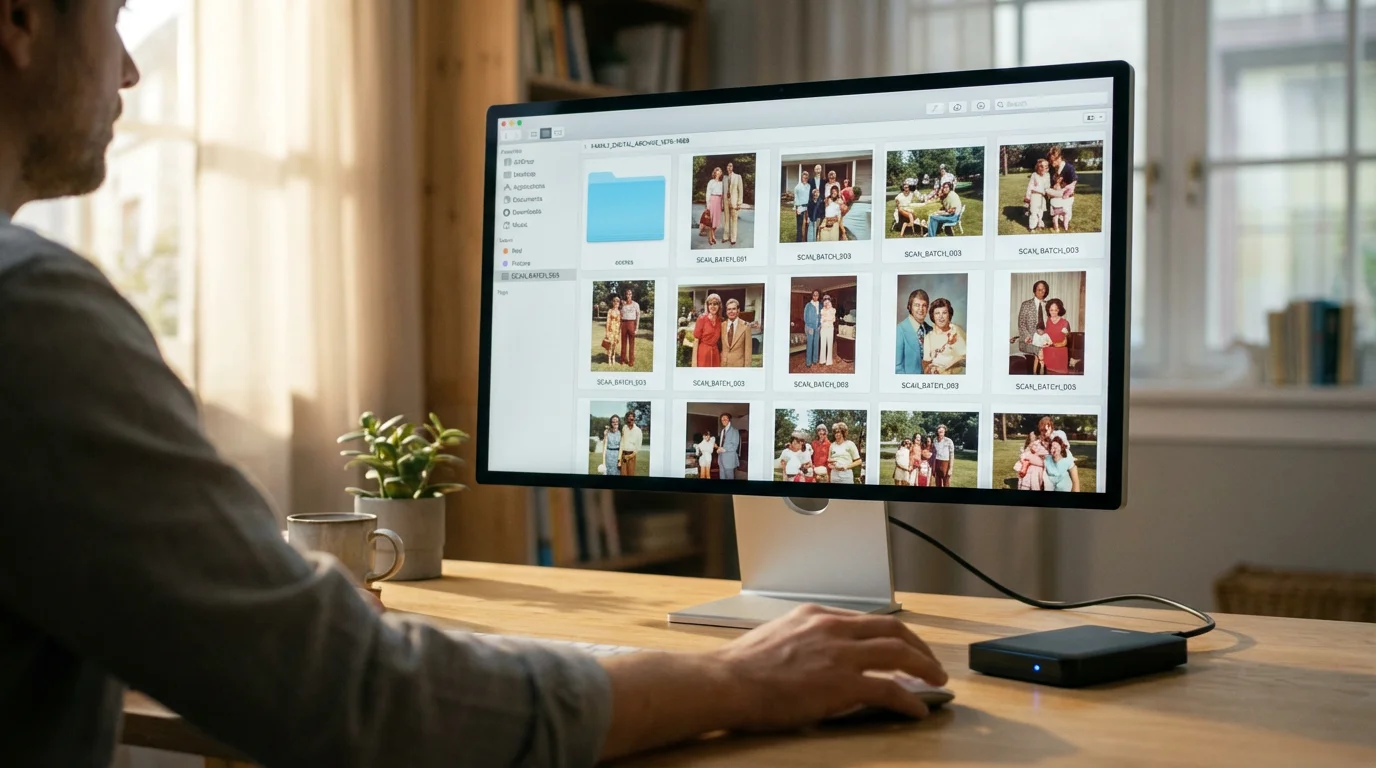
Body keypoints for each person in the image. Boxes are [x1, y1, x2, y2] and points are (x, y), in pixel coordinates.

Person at [0, 5, 948, 763]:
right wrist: (739, 684)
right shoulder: (31, 314)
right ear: (22, 20)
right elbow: (358, 700)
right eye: (115, 14)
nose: (128, 67)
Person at [924, 297, 966, 374]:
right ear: (932, 316)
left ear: (949, 315)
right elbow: (926, 364)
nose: (941, 317)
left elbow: (966, 358)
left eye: (944, 313)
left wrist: (946, 367)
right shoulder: (928, 337)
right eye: (937, 313)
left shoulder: (956, 331)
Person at [895, 288, 930, 374]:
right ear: (909, 307)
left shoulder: (931, 330)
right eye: (917, 305)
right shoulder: (899, 330)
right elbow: (897, 367)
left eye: (924, 305)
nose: (921, 309)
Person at [1016, 279, 1051, 361]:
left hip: (1044, 339)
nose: (1041, 291)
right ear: (1034, 291)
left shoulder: (1048, 305)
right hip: (1028, 341)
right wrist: (1029, 337)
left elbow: (1051, 324)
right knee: (1040, 350)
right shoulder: (1026, 304)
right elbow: (1021, 324)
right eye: (1039, 289)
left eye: (1043, 289)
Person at [1046, 145, 1078, 230]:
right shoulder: (1052, 169)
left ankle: (1064, 220)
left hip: (1065, 195)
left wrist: (1068, 189)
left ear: (1059, 157)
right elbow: (1050, 183)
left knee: (1066, 214)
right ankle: (1055, 221)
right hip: (1056, 195)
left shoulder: (1069, 167)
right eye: (1050, 160)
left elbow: (1074, 181)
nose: (1051, 162)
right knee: (1055, 212)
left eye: (1053, 160)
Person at [1041, 298, 1071, 374]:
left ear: (1059, 310)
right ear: (1048, 310)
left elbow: (1066, 341)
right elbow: (1043, 336)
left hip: (1059, 352)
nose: (1053, 312)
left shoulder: (1065, 322)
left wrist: (1059, 344)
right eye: (1051, 310)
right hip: (1047, 350)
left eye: (1056, 310)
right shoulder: (1046, 321)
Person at [720, 297, 751, 367]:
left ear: (738, 310)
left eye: (734, 309)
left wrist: (747, 369)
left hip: (738, 366)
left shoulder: (746, 326)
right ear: (726, 311)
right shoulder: (722, 326)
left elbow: (748, 352)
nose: (731, 311)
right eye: (729, 309)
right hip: (723, 366)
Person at [693, 293, 722, 367]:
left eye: (715, 304)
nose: (712, 306)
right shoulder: (701, 319)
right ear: (707, 306)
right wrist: (694, 362)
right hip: (703, 352)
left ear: (719, 306)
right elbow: (696, 340)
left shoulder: (720, 320)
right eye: (710, 304)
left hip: (715, 353)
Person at [1024, 157, 1051, 231]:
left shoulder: (1047, 175)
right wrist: (1028, 197)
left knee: (1041, 211)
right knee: (1034, 211)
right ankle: (1032, 227)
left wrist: (1048, 193)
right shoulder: (1034, 175)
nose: (1043, 168)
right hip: (1034, 195)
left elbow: (1047, 186)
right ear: (1037, 167)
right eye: (1041, 166)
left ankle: (1039, 224)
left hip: (1042, 196)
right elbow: (1030, 186)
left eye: (1046, 166)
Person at [715, 412, 741, 480]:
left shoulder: (735, 431)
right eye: (722, 420)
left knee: (729, 477)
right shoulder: (722, 431)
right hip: (721, 457)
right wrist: (718, 448)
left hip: (729, 458)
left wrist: (723, 449)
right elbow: (722, 444)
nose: (723, 421)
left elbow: (735, 445)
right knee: (722, 475)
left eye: (725, 419)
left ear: (729, 420)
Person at [619, 287, 640, 367]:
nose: (628, 295)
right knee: (623, 343)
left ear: (632, 295)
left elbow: (638, 316)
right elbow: (620, 315)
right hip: (624, 324)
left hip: (632, 323)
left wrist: (636, 328)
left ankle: (631, 360)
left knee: (632, 344)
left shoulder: (636, 304)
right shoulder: (623, 304)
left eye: (630, 294)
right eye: (627, 294)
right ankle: (622, 359)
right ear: (626, 295)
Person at [724, 160, 743, 246]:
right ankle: (726, 236)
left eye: (731, 166)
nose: (729, 167)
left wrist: (739, 202)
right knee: (726, 219)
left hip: (734, 201)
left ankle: (733, 238)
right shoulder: (724, 178)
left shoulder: (738, 177)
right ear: (726, 168)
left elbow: (740, 190)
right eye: (728, 166)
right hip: (726, 201)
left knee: (734, 220)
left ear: (733, 167)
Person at [619, 410, 643, 476]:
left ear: (634, 418)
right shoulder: (624, 428)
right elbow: (622, 441)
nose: (631, 418)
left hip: (631, 456)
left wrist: (629, 456)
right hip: (623, 455)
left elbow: (638, 446)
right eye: (629, 417)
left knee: (630, 475)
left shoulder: (638, 430)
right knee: (623, 475)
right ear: (627, 419)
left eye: (632, 417)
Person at [705, 166, 724, 245]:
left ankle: (712, 235)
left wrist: (722, 204)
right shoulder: (711, 182)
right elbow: (708, 193)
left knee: (716, 221)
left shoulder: (722, 183)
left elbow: (722, 195)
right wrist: (708, 204)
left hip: (719, 201)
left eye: (719, 172)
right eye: (717, 171)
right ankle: (711, 238)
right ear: (714, 173)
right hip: (712, 200)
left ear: (721, 173)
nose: (718, 173)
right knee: (711, 221)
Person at [808, 163, 826, 241]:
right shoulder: (811, 181)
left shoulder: (824, 181)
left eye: (819, 169)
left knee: (819, 220)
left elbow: (824, 191)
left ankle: (819, 237)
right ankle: (812, 238)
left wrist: (821, 199)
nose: (818, 170)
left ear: (821, 170)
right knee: (813, 219)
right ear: (815, 171)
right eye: (817, 169)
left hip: (821, 203)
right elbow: (809, 192)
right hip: (813, 202)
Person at [803, 288, 821, 368]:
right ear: (812, 296)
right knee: (809, 344)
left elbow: (822, 316)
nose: (815, 296)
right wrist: (808, 326)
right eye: (814, 295)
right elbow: (805, 317)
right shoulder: (808, 305)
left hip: (818, 327)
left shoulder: (820, 305)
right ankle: (808, 362)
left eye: (817, 295)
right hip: (810, 327)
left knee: (816, 344)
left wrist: (820, 325)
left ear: (818, 296)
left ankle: (815, 360)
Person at [792, 170, 811, 243]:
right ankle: (799, 240)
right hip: (800, 207)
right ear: (801, 178)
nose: (805, 179)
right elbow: (796, 198)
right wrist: (797, 208)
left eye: (806, 177)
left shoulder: (809, 186)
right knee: (799, 225)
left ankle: (805, 239)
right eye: (804, 177)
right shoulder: (797, 187)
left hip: (807, 207)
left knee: (807, 224)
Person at [604, 295, 622, 365]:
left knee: (614, 345)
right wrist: (607, 332)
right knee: (610, 344)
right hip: (611, 330)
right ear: (613, 303)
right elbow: (608, 321)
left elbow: (620, 322)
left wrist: (619, 332)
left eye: (618, 302)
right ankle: (609, 358)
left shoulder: (619, 312)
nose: (616, 303)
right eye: (615, 302)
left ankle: (613, 357)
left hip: (616, 331)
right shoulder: (610, 311)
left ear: (618, 303)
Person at [819, 294, 836, 366]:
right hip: (823, 329)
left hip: (830, 328)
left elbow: (833, 319)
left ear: (830, 301)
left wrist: (826, 318)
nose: (826, 303)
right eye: (825, 301)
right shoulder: (822, 310)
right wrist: (825, 319)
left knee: (830, 344)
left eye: (828, 301)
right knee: (823, 344)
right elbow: (821, 320)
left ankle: (829, 361)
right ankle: (822, 360)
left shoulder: (833, 310)